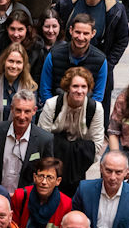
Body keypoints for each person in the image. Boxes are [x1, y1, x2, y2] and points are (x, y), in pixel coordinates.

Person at [54, 0, 129, 101]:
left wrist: (107, 65)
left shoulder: (116, 10)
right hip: (66, 63)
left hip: (97, 68)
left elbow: (122, 40)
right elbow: (55, 21)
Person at [38, 67, 105, 195]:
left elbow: (96, 144)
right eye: (75, 86)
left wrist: (78, 155)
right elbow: (42, 138)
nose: (79, 91)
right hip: (53, 158)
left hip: (79, 162)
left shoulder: (96, 109)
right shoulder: (52, 105)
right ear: (67, 87)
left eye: (84, 87)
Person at [0, 89, 55, 195]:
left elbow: (46, 172)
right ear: (12, 109)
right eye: (18, 110)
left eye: (27, 111)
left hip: (26, 198)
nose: (22, 116)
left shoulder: (44, 139)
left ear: (34, 111)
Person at [38, 14, 108, 104]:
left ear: (93, 33)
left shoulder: (100, 60)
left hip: (86, 109)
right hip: (55, 107)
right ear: (71, 30)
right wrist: (52, 108)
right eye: (77, 32)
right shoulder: (54, 55)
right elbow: (45, 89)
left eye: (86, 33)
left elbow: (98, 96)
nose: (81, 37)